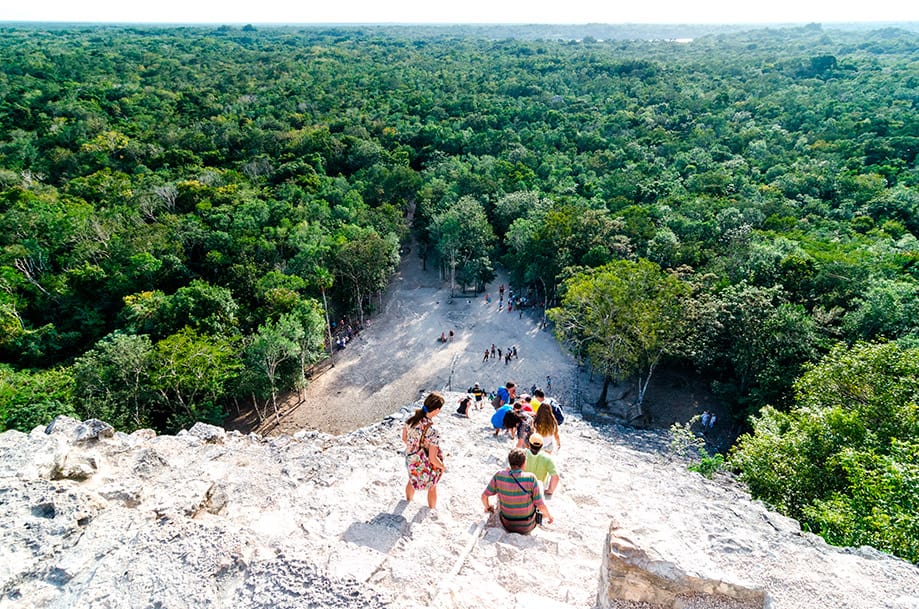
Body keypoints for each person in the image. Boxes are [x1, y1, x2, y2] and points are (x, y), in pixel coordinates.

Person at [482, 448, 553, 534]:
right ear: (524, 463)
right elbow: (540, 505)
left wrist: (488, 507)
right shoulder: (530, 478)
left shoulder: (499, 475)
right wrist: (549, 516)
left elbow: (484, 496)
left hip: (507, 524)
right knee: (540, 484)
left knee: (499, 491)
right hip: (527, 526)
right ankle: (543, 515)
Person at [402, 392, 446, 508]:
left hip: (411, 457)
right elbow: (433, 458)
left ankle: (408, 501)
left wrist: (414, 447)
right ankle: (432, 509)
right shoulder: (433, 430)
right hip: (424, 461)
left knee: (412, 479)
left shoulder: (411, 418)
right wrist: (442, 466)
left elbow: (404, 438)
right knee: (433, 485)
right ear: (436, 410)